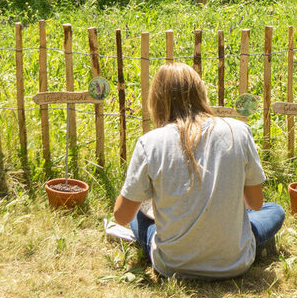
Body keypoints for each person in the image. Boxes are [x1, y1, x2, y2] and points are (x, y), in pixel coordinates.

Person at [112, 62, 284, 279]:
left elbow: (121, 215)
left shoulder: (150, 142)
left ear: (156, 101)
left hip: (172, 265)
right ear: (201, 92)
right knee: (274, 210)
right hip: (235, 261)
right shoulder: (239, 131)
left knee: (137, 212)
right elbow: (256, 204)